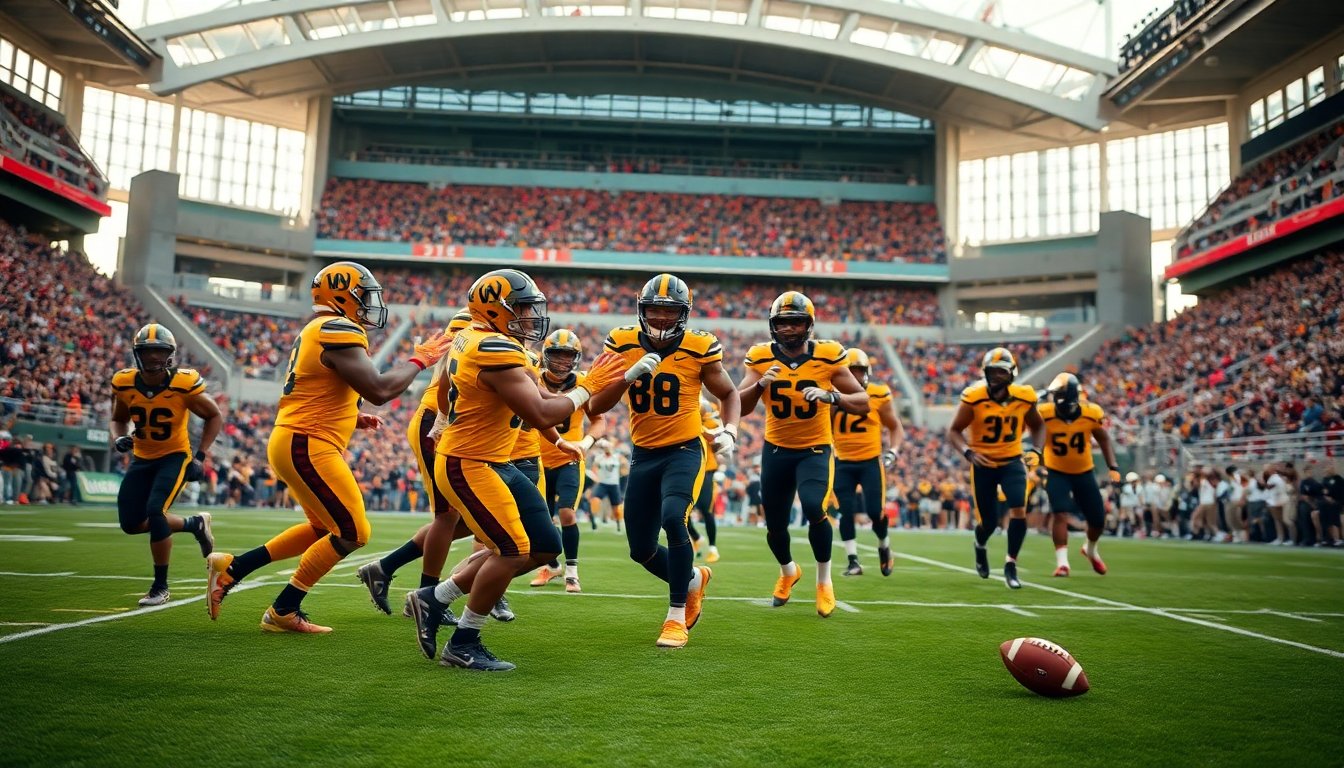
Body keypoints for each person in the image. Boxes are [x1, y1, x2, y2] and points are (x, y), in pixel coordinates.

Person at [207, 261, 452, 633]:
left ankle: (235, 568)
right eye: (364, 296)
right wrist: (421, 359)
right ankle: (283, 609)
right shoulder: (337, 327)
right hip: (307, 442)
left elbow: (314, 387)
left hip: (299, 437)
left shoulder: (319, 328)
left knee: (324, 527)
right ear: (342, 296)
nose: (370, 304)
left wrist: (352, 416)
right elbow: (381, 390)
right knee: (353, 532)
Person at [406, 269, 628, 670]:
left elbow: (449, 386)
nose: (530, 315)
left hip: (497, 459)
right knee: (511, 550)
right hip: (469, 462)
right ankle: (463, 642)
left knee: (545, 545)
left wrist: (560, 435)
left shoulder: (480, 339)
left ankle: (432, 599)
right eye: (523, 307)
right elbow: (542, 409)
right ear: (495, 309)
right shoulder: (492, 347)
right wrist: (588, 385)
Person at [588, 273, 741, 648]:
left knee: (675, 519)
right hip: (643, 454)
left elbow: (729, 393)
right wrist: (626, 377)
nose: (660, 320)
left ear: (683, 314)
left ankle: (675, 618)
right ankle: (692, 580)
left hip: (685, 450)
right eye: (653, 311)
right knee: (640, 549)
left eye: (668, 312)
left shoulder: (700, 347)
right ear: (641, 311)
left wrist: (730, 430)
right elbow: (595, 404)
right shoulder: (621, 343)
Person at [738, 291, 868, 616]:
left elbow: (863, 401)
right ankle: (788, 571)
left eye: (796, 322)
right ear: (773, 325)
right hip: (776, 450)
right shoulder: (760, 356)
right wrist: (758, 386)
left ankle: (824, 581)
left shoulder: (828, 355)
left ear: (808, 326)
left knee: (814, 507)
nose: (789, 329)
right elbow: (737, 406)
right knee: (775, 525)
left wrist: (832, 396)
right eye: (783, 322)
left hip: (815, 449)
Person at [355, 310, 473, 627]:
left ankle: (384, 568)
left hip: (456, 426)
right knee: (448, 516)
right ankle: (426, 597)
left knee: (471, 520)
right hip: (438, 421)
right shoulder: (469, 324)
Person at [107, 324, 223, 606]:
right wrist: (119, 437)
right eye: (149, 352)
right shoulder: (125, 383)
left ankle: (160, 587)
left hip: (174, 456)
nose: (155, 358)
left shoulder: (182, 384)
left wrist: (200, 456)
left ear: (170, 354)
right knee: (131, 524)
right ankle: (195, 524)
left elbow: (214, 415)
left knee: (156, 511)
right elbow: (117, 417)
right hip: (142, 457)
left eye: (160, 351)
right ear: (138, 355)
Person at [945, 347, 1044, 590]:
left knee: (1018, 510)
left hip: (1012, 461)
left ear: (1011, 374)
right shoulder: (974, 397)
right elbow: (954, 431)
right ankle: (980, 545)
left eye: (1001, 372)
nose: (996, 377)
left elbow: (1039, 427)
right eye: (992, 372)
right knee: (988, 523)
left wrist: (1036, 451)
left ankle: (1011, 564)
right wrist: (968, 452)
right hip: (984, 464)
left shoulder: (1024, 397)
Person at [531, 329, 607, 593]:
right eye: (557, 355)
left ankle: (572, 572)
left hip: (569, 459)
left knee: (567, 513)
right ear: (546, 356)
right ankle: (552, 566)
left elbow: (598, 419)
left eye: (568, 356)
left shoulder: (583, 382)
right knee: (540, 520)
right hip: (537, 460)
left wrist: (585, 443)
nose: (563, 362)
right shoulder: (532, 379)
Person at [1037, 373, 1121, 577]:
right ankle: (1063, 563)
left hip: (1083, 472)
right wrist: (1037, 461)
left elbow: (1104, 438)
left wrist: (1113, 466)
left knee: (1097, 520)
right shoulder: (1044, 412)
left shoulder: (1090, 413)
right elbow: (1035, 437)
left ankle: (1090, 550)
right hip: (1056, 471)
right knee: (1059, 513)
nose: (1053, 399)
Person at [830, 348, 904, 576]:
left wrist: (893, 450)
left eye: (859, 372)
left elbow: (894, 426)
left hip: (871, 461)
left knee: (875, 512)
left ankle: (884, 545)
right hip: (843, 461)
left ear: (866, 373)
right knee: (845, 510)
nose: (854, 377)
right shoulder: (833, 395)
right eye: (850, 372)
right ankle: (853, 560)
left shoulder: (879, 393)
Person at [687, 398, 725, 563]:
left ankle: (713, 548)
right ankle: (696, 538)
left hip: (707, 468)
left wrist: (705, 431)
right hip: (687, 468)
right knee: (681, 510)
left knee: (706, 509)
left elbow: (718, 442)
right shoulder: (683, 402)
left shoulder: (710, 409)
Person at [590, 440, 626, 530]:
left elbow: (625, 465)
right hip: (603, 483)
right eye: (605, 447)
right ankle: (593, 520)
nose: (607, 449)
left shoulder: (617, 457)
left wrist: (622, 472)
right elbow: (594, 467)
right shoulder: (599, 457)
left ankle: (618, 524)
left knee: (616, 507)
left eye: (608, 447)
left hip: (614, 484)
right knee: (595, 500)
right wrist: (596, 478)